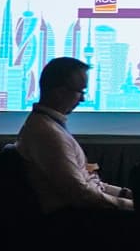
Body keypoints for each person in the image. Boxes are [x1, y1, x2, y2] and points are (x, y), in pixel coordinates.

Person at [16, 57, 133, 212]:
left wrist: (125, 194)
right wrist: (131, 206)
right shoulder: (48, 134)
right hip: (76, 218)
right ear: (60, 92)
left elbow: (89, 184)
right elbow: (81, 193)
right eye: (80, 91)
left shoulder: (49, 126)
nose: (83, 99)